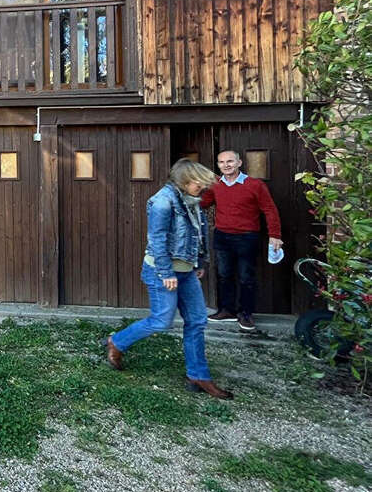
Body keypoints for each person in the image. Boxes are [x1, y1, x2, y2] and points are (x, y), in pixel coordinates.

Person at [105, 158, 233, 400]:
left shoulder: (193, 200)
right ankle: (117, 341)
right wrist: (166, 273)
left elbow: (198, 233)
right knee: (162, 321)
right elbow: (157, 239)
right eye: (199, 183)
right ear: (185, 180)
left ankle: (198, 375)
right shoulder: (162, 201)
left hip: (186, 272)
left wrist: (199, 263)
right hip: (162, 271)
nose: (203, 189)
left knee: (196, 320)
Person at [200, 150, 282, 333]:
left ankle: (245, 313)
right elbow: (203, 204)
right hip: (222, 236)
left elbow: (270, 210)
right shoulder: (215, 186)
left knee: (246, 277)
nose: (226, 165)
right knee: (223, 275)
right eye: (221, 162)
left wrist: (275, 235)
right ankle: (226, 310)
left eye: (230, 161)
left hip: (247, 237)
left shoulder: (255, 185)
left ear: (239, 163)